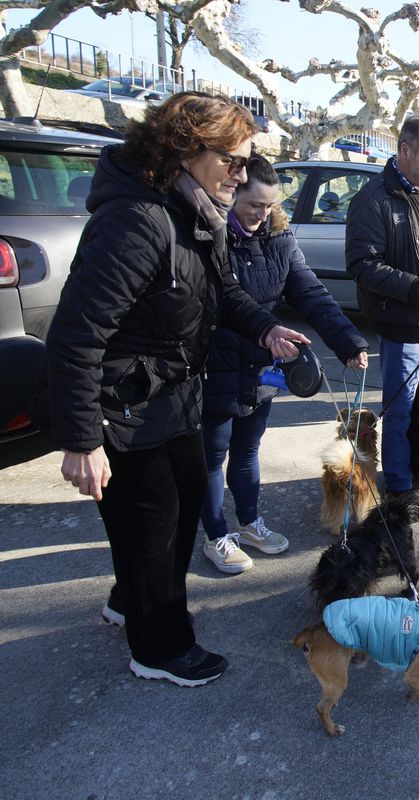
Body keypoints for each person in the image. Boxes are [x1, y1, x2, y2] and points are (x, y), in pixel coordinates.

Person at [44, 92, 309, 685]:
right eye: (232, 161)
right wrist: (81, 440)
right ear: (186, 150)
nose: (242, 175)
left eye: (247, 162)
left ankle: (127, 601)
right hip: (127, 408)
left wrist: (265, 329)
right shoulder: (135, 221)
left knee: (184, 503)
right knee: (152, 528)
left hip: (174, 398)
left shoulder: (195, 212)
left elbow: (223, 292)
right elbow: (75, 337)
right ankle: (159, 647)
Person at [199, 154, 369, 574]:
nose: (261, 214)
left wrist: (348, 341)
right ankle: (216, 534)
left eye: (270, 205)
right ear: (231, 191)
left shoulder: (280, 238)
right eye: (253, 204)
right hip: (216, 362)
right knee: (212, 455)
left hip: (264, 365)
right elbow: (218, 301)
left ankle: (250, 522)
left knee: (248, 449)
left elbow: (310, 293)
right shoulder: (210, 237)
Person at [346, 116, 419, 521]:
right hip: (404, 324)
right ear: (405, 150)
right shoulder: (373, 199)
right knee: (402, 408)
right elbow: (362, 264)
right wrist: (413, 288)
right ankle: (398, 486)